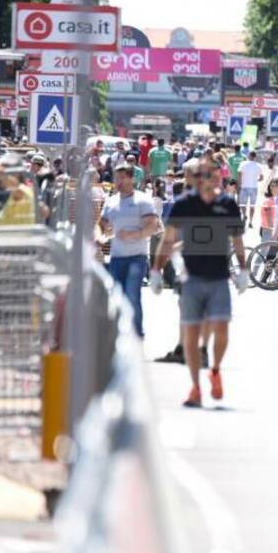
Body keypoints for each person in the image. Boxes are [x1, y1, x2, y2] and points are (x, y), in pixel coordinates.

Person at [151, 160, 247, 407]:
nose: (206, 180)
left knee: (221, 329)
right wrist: (156, 270)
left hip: (218, 278)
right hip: (192, 278)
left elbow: (237, 239)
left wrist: (243, 269)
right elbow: (168, 239)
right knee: (191, 336)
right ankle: (195, 387)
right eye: (200, 176)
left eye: (210, 176)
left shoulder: (227, 204)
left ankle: (214, 370)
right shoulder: (184, 205)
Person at [99, 163, 160, 339]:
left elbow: (153, 226)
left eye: (122, 177)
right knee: (117, 297)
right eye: (116, 178)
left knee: (132, 294)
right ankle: (120, 333)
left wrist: (135, 234)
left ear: (132, 178)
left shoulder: (143, 200)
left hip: (137, 257)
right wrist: (99, 236)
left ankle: (136, 334)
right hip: (117, 257)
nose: (118, 181)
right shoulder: (111, 201)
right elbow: (101, 224)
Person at [0, 155, 37, 226]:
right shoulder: (17, 192)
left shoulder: (23, 191)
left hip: (19, 237)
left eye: (3, 171)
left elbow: (17, 189)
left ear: (16, 174)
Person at [238, 151, 264, 228]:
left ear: (249, 156)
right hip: (254, 188)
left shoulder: (243, 164)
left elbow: (239, 174)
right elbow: (261, 177)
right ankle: (250, 221)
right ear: (255, 157)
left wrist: (239, 184)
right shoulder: (258, 166)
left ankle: (244, 215)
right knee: (252, 206)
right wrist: (257, 180)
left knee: (243, 204)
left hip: (244, 186)